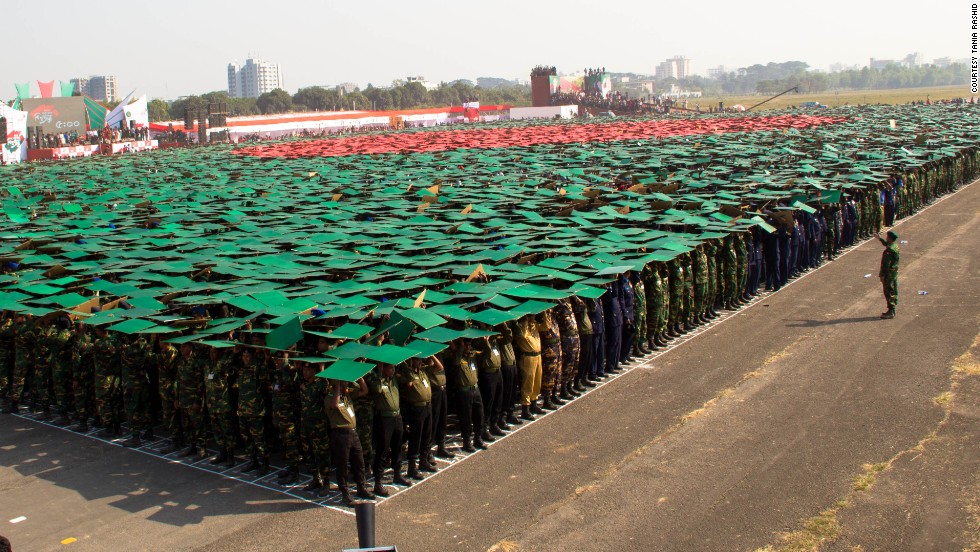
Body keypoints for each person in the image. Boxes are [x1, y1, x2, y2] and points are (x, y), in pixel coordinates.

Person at [327, 377, 374, 505]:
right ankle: (345, 493)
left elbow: (364, 390)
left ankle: (361, 487)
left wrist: (360, 378)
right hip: (340, 435)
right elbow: (334, 405)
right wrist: (337, 386)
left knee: (359, 462)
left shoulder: (347, 396)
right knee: (342, 465)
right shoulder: (330, 397)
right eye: (344, 382)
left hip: (353, 433)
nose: (347, 384)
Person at [367, 363, 409, 497]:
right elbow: (377, 390)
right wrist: (379, 372)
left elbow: (408, 379)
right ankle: (378, 482)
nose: (393, 370)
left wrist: (406, 364)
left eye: (393, 367)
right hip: (384, 419)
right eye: (390, 367)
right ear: (383, 368)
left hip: (397, 416)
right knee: (383, 450)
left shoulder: (394, 379)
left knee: (397, 447)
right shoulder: (376, 380)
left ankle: (397, 473)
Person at [876, 230, 900, 319]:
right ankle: (892, 309)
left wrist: (882, 275)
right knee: (893, 289)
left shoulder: (889, 251)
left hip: (889, 273)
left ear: (890, 238)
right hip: (894, 272)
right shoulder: (895, 246)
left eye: (887, 237)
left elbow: (886, 264)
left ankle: (891, 310)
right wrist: (880, 239)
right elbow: (887, 244)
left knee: (888, 291)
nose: (886, 238)